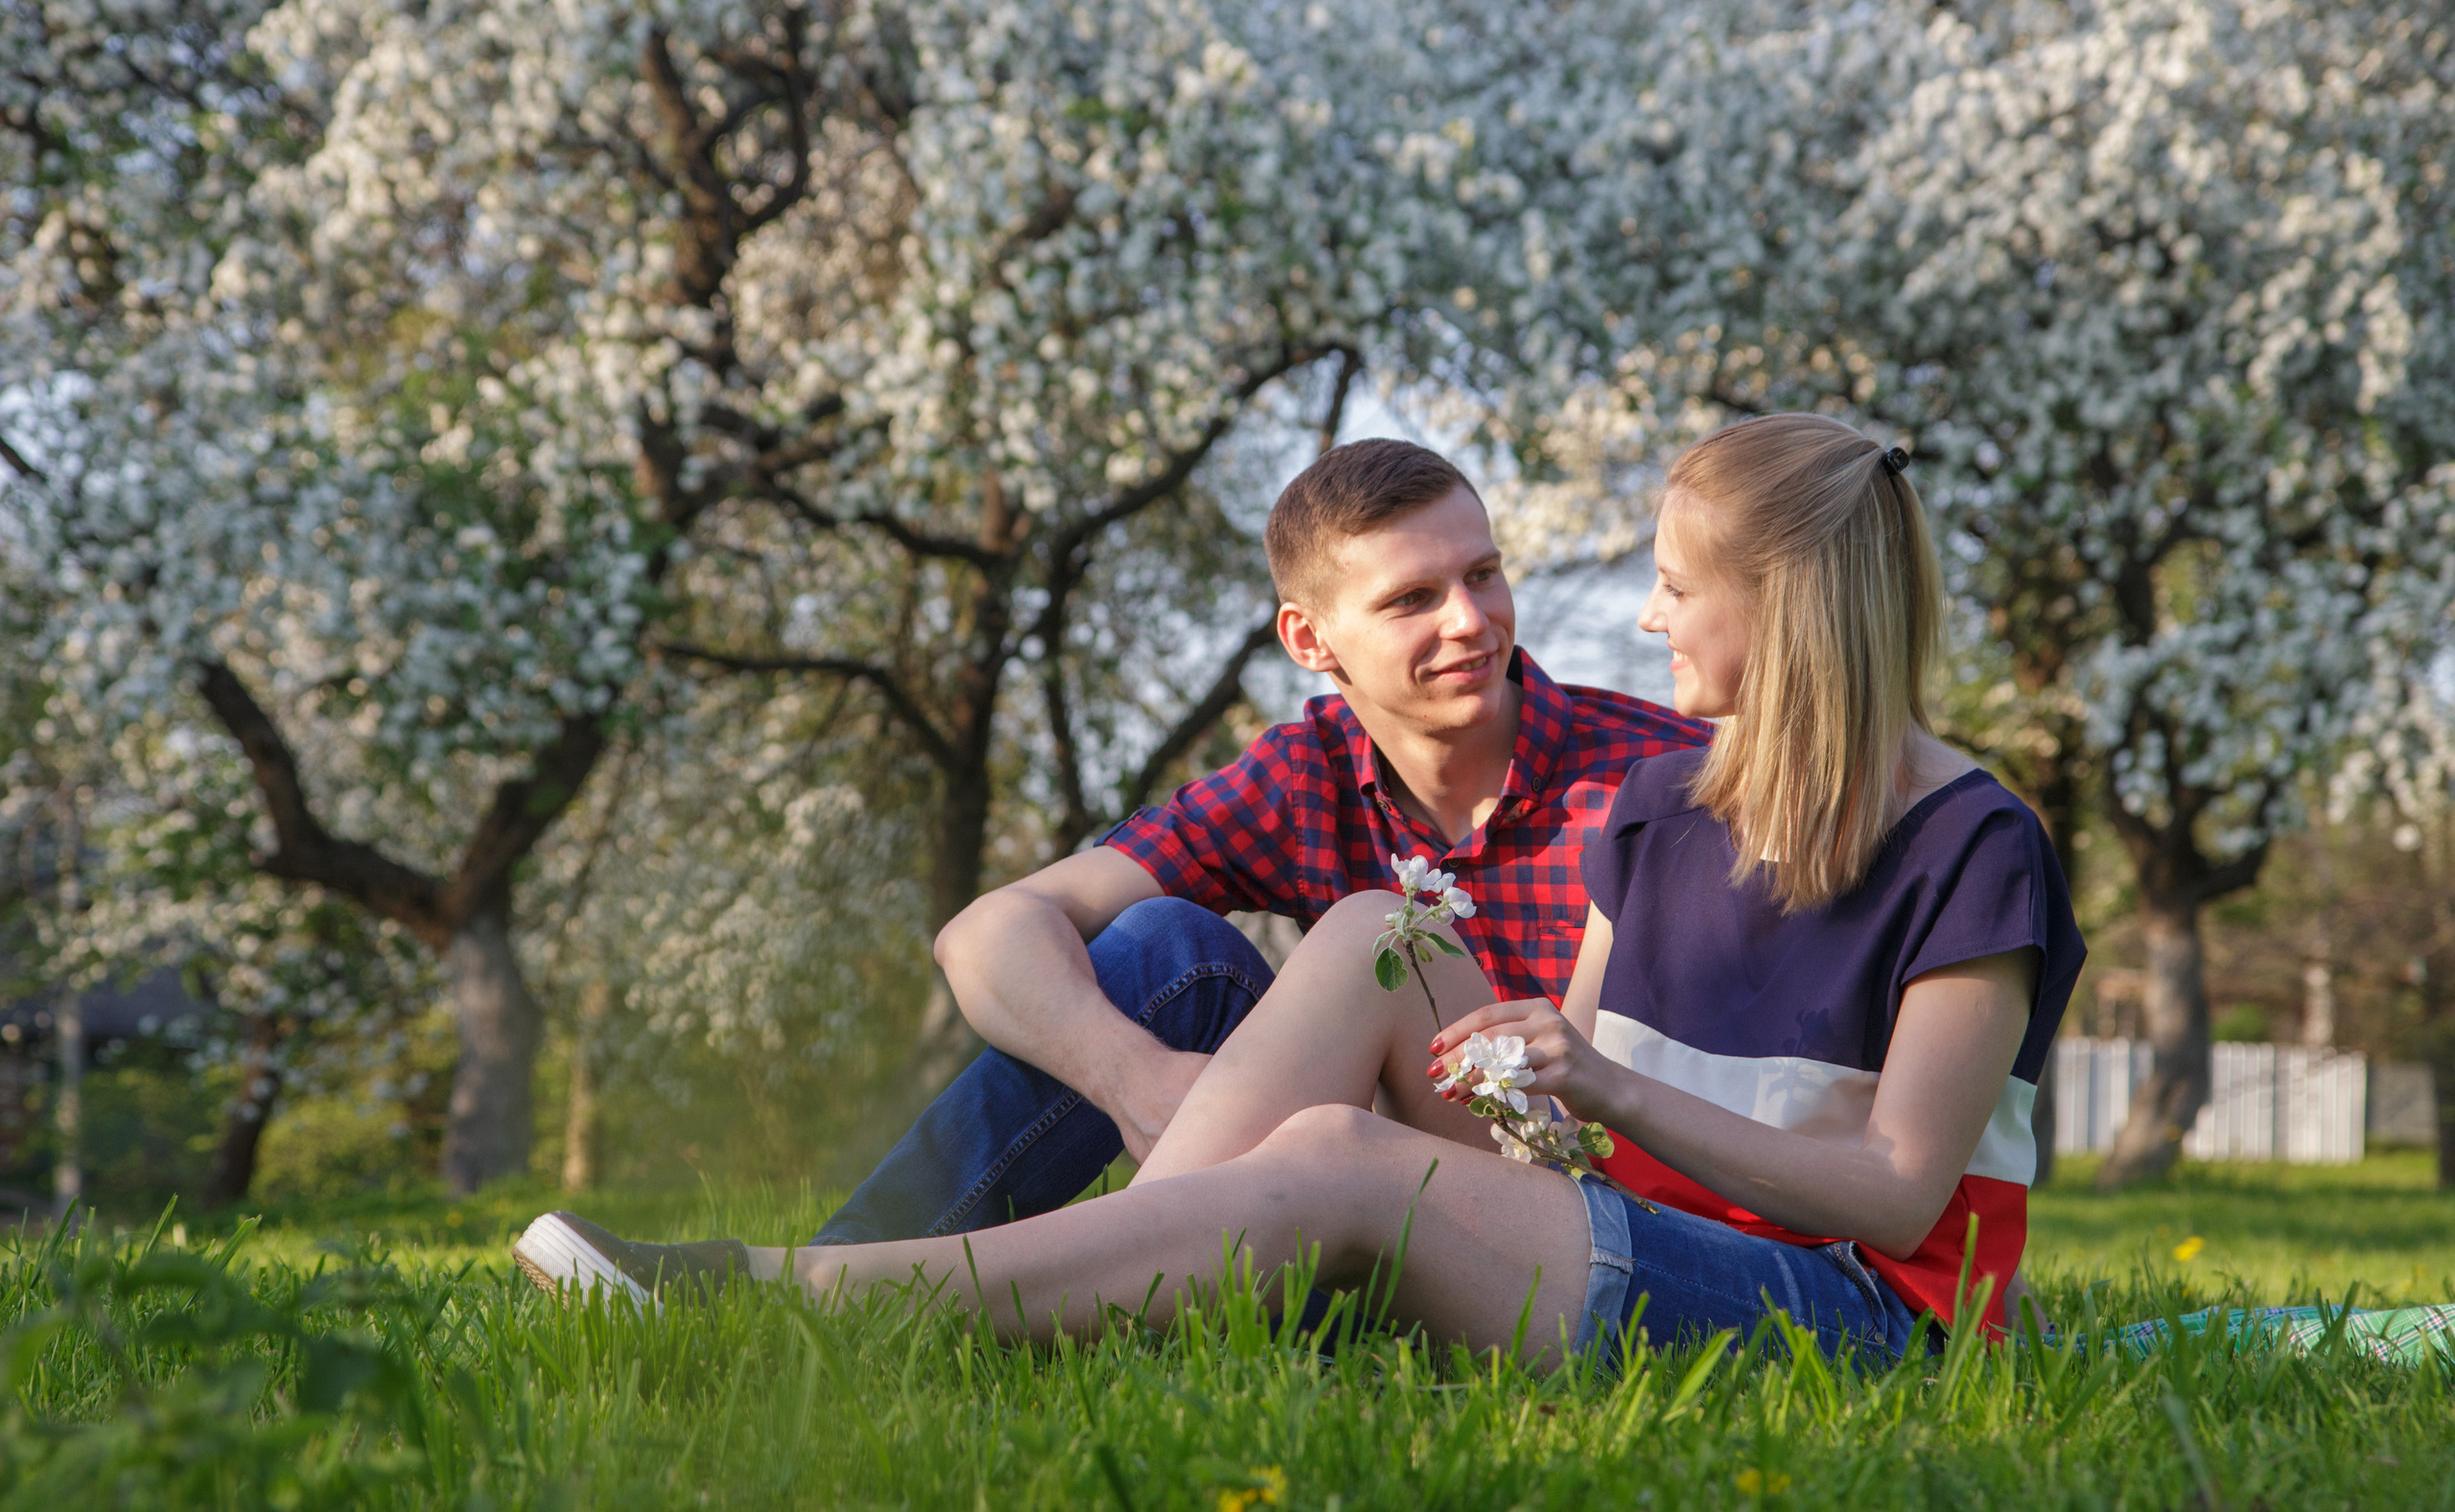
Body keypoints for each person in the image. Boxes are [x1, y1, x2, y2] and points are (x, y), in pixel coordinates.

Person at [515, 413, 2086, 1363]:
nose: (1645, 619)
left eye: (1676, 588)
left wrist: (1598, 1080)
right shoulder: (1666, 806)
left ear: (1786, 607)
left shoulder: (1973, 843)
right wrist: (1555, 1086)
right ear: (1315, 638)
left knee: (1344, 1160)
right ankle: (1077, 1296)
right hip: (1629, 1229)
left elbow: (1897, 1195)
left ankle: (787, 1303)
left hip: (1849, 1313)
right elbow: (1582, 1142)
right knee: (1374, 936)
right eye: (1420, 593)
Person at [806, 437, 1710, 1246]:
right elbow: (986, 933)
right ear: (1310, 638)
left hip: (1592, 1206)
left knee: (1372, 939)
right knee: (1170, 947)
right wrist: (1136, 1081)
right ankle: (857, 1265)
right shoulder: (1304, 774)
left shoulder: (1665, 775)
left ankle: (1067, 1277)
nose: (1470, 620)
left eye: (1482, 574)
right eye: (1413, 599)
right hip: (1360, 1171)